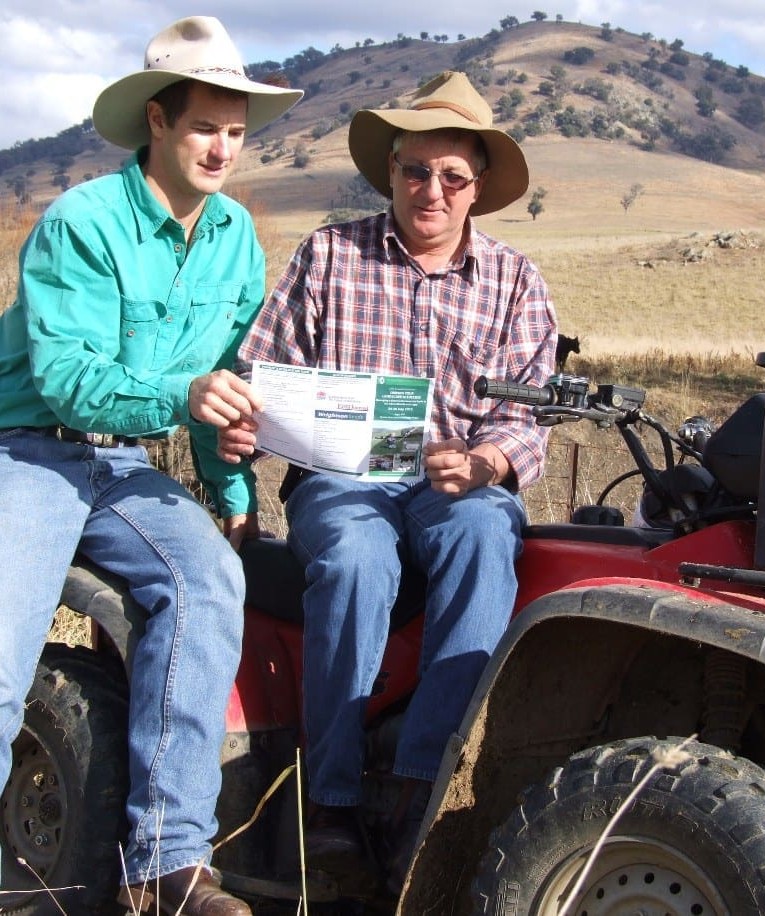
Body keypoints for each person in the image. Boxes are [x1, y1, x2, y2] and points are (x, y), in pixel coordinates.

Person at [221, 70, 557, 892]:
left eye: (452, 177)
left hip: (458, 482)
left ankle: (420, 787)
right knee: (355, 560)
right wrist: (245, 424)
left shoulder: (516, 281)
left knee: (486, 534)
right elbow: (265, 374)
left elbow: (534, 410)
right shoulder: (331, 255)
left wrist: (485, 462)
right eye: (415, 170)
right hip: (347, 482)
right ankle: (329, 800)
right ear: (391, 172)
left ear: (476, 189)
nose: (431, 190)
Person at [0, 16, 301, 915]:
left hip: (122, 466)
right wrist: (185, 397)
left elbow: (222, 385)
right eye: (205, 125)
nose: (222, 146)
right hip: (29, 448)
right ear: (158, 122)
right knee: (6, 639)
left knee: (208, 576)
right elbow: (69, 383)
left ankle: (167, 866)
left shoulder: (236, 238)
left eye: (237, 129)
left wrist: (234, 490)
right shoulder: (83, 222)